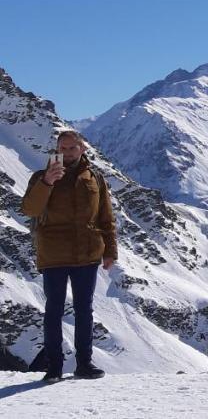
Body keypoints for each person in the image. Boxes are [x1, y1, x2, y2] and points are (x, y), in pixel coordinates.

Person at [20, 130, 117, 382]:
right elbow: (30, 209)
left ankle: (84, 363)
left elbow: (105, 216)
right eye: (62, 148)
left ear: (83, 149)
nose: (66, 153)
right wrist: (47, 183)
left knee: (85, 310)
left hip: (88, 253)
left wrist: (110, 251)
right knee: (54, 310)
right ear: (56, 149)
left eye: (72, 148)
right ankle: (54, 367)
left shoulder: (95, 177)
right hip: (54, 253)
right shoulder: (41, 177)